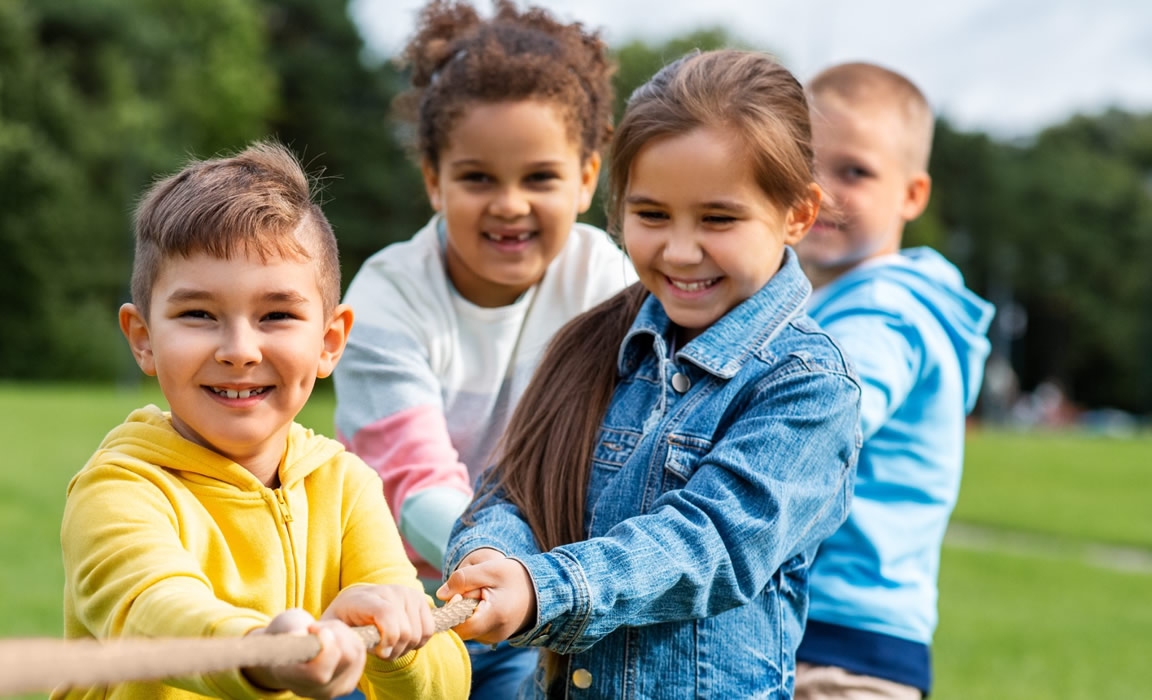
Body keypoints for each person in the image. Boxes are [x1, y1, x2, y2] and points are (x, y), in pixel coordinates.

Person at [437, 50, 861, 698]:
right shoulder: (592, 343)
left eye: (718, 218)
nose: (680, 250)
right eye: (653, 215)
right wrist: (490, 558)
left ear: (797, 214)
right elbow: (510, 492)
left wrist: (540, 590)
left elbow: (704, 546)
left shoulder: (807, 386)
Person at [55, 141, 470, 700]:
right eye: (198, 314)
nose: (239, 350)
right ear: (143, 339)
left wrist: (395, 639)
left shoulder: (346, 487)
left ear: (329, 343)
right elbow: (152, 609)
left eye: (276, 315)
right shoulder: (120, 489)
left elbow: (444, 687)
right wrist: (262, 650)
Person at [332, 2, 633, 695]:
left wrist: (536, 586)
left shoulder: (609, 283)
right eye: (477, 178)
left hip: (536, 610)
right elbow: (414, 486)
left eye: (539, 178)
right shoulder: (384, 300)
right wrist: (501, 565)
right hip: (398, 608)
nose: (509, 204)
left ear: (587, 177)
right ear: (433, 179)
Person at [793, 62, 994, 699]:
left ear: (912, 195)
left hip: (837, 649)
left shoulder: (884, 314)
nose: (824, 189)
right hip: (860, 638)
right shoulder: (848, 302)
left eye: (854, 171)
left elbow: (824, 416)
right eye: (808, 164)